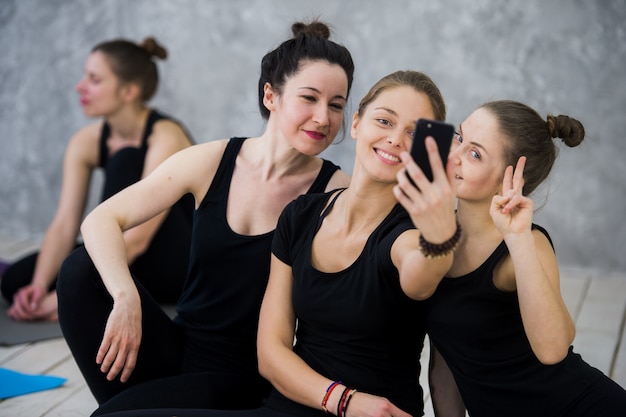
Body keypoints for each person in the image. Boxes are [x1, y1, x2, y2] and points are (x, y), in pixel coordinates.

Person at [95, 70, 460, 417]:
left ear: (430, 150)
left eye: (414, 133)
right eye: (384, 121)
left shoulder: (411, 234)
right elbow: (270, 354)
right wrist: (344, 400)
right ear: (356, 122)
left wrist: (440, 234)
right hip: (294, 406)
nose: (396, 139)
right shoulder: (300, 216)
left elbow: (420, 274)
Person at [56, 20, 355, 416]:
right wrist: (124, 295)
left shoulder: (335, 190)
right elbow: (101, 220)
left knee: (109, 416)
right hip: (179, 343)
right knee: (80, 269)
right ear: (271, 95)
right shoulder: (214, 160)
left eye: (336, 105)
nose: (322, 117)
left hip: (242, 375)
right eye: (309, 98)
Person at [426, 100, 626, 416]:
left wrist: (517, 238)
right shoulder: (431, 235)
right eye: (460, 138)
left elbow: (554, 349)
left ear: (509, 179)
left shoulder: (527, 243)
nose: (453, 155)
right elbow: (446, 360)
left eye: (475, 154)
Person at [0, 37, 194, 321]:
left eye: (94, 79)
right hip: (127, 254)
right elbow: (65, 224)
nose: (80, 86)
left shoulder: (166, 136)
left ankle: (98, 293)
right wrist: (40, 287)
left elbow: (138, 238)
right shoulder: (86, 141)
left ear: (129, 90)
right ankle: (95, 290)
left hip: (176, 262)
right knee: (17, 280)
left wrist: (63, 297)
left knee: (126, 159)